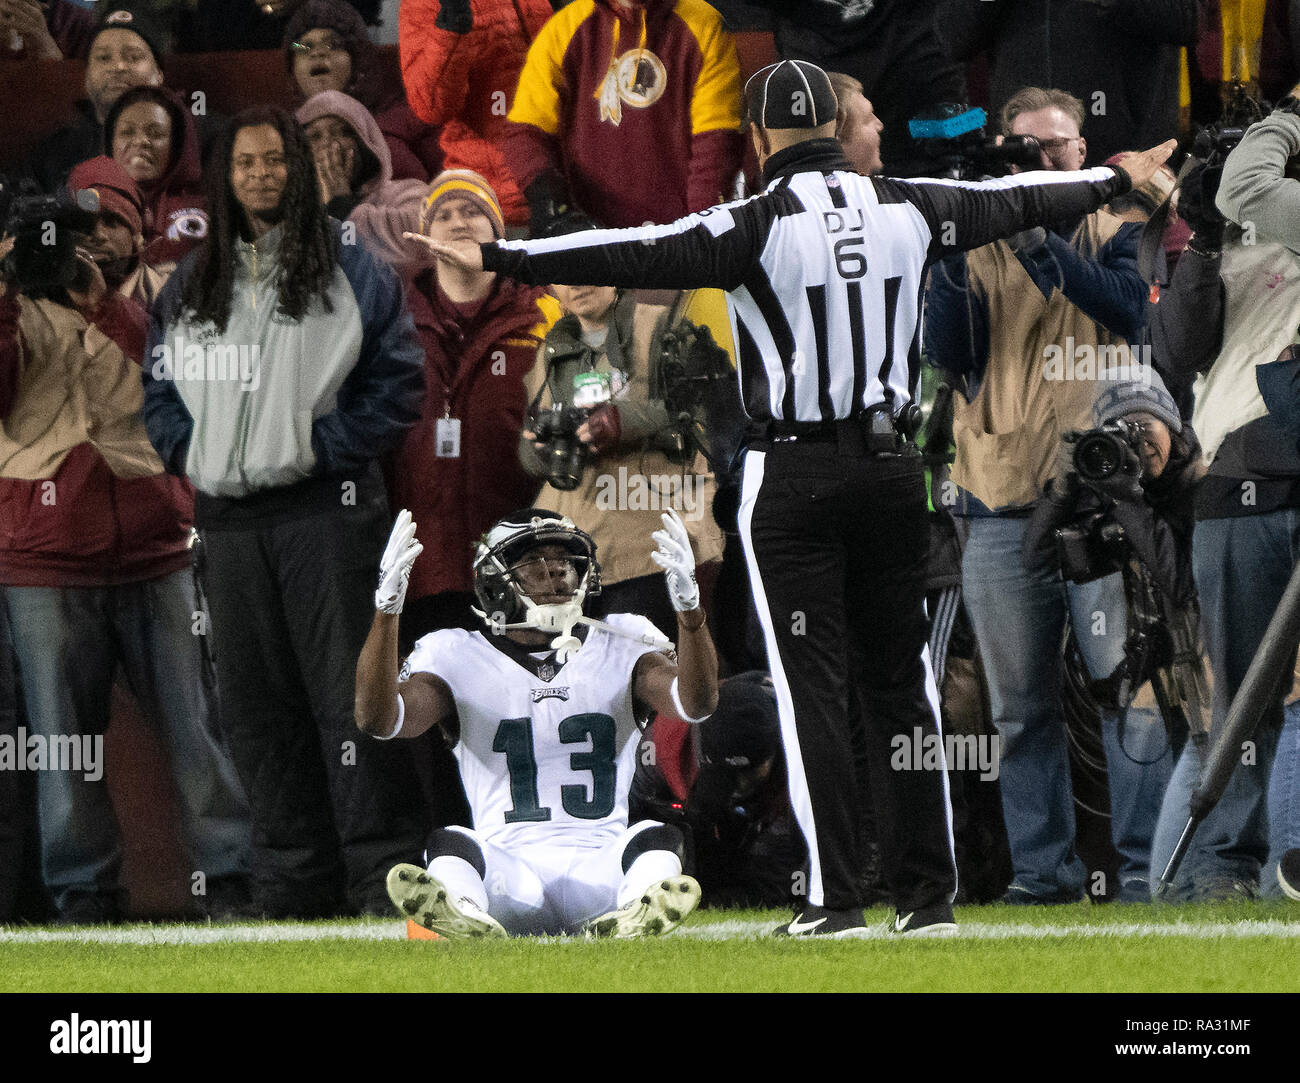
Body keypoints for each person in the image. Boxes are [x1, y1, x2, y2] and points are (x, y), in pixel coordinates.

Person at [410, 58, 1178, 937]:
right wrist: (1116, 175)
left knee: (812, 686)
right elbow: (1035, 199)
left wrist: (503, 253)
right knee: (906, 690)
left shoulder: (751, 221)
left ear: (762, 136)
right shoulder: (912, 202)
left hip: (796, 476)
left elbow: (630, 248)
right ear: (829, 129)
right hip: (894, 473)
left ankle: (836, 897)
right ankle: (930, 899)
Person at [142, 106, 428, 918]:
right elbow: (158, 395)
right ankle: (292, 892)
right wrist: (193, 458)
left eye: (276, 161)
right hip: (228, 525)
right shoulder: (190, 282)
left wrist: (317, 448)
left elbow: (398, 383)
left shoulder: (353, 266)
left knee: (353, 701)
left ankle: (383, 883)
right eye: (247, 163)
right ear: (224, 177)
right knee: (258, 713)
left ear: (297, 171)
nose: (263, 174)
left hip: (327, 514)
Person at [924, 86, 1159, 905]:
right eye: (1025, 149)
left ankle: (1140, 871)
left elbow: (1129, 313)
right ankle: (1042, 874)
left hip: (1105, 504)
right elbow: (949, 349)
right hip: (1000, 502)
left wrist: (1041, 244)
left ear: (1085, 149)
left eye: (1056, 147)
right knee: (1019, 711)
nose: (1043, 161)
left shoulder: (1116, 225)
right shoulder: (976, 240)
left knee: (1130, 695)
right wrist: (954, 253)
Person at [0, 214, 250, 924]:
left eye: (106, 224)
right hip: (42, 557)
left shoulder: (148, 305)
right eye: (74, 234)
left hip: (154, 545)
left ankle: (231, 878)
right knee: (59, 741)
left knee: (195, 727)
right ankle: (83, 893)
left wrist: (99, 303)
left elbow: (179, 388)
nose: (87, 245)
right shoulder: (11, 310)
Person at [355, 506, 717, 938]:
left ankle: (633, 919)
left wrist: (690, 614)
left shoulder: (622, 639)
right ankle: (465, 914)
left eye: (566, 562)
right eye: (534, 562)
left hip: (602, 875)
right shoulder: (454, 652)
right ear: (494, 579)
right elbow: (379, 719)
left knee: (657, 837)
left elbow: (697, 704)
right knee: (452, 843)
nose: (557, 573)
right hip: (509, 881)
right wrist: (386, 611)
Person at [1138, 93, 1300, 900]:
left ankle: (1262, 877)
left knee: (1278, 702)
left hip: (1272, 474)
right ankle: (1204, 879)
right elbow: (1176, 353)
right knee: (1241, 706)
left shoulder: (1278, 202)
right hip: (1237, 489)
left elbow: (1253, 187)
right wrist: (1199, 238)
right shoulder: (1218, 237)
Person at [519, 278, 725, 639]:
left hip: (654, 544)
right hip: (580, 558)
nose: (577, 283)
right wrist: (540, 450)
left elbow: (709, 410)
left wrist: (623, 421)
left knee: (655, 673)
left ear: (613, 269)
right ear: (551, 288)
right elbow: (530, 451)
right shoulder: (552, 348)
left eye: (588, 267)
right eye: (562, 275)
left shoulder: (667, 327)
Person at [504, 0, 744, 232]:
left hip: (675, 242)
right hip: (589, 236)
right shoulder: (565, 28)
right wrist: (552, 202)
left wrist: (697, 233)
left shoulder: (704, 25)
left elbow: (715, 143)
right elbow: (527, 131)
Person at [629, 669, 807, 907]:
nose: (740, 785)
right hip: (692, 795)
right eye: (729, 775)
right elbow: (631, 818)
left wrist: (715, 900)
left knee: (778, 878)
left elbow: (776, 875)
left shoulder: (801, 760)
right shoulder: (662, 745)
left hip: (774, 822)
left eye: (749, 773)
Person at [400, 0, 557, 230]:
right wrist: (451, 29)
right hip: (497, 208)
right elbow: (431, 107)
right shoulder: (425, 4)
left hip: (563, 191)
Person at [284, 0, 442, 183]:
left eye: (333, 44)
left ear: (358, 59)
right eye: (303, 47)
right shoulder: (283, 135)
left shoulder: (405, 123)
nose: (317, 53)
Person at [22, 4, 167, 192]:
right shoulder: (54, 153)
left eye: (133, 57)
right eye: (104, 58)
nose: (118, 66)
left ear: (159, 75)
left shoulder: (198, 137)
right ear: (87, 77)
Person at [296, 90, 431, 276]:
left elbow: (417, 248)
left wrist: (343, 207)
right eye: (314, 136)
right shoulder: (291, 211)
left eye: (343, 132)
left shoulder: (410, 194)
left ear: (366, 142)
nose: (329, 144)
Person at [104, 85, 208, 272]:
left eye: (156, 133)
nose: (140, 141)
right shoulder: (89, 205)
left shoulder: (206, 209)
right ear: (111, 143)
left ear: (175, 146)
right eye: (127, 132)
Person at [66, 155, 170, 309]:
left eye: (111, 222)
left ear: (136, 234)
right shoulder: (38, 298)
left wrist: (105, 305)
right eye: (84, 224)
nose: (99, 235)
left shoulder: (170, 290)